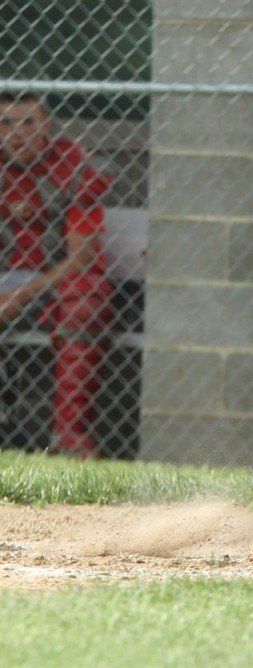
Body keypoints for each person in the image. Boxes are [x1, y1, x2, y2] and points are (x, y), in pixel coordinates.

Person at [0, 92, 113, 459]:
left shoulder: (70, 164)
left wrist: (25, 293)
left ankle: (69, 433)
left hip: (55, 284)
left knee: (87, 297)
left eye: (28, 122)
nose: (17, 133)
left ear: (46, 126)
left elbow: (82, 257)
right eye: (6, 123)